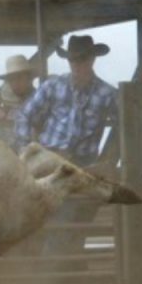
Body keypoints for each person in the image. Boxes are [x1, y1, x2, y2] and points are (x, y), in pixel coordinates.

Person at [15, 35, 118, 258]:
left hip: (83, 164)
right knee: (56, 218)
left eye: (82, 60)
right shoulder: (53, 86)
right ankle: (60, 267)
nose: (78, 65)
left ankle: (59, 268)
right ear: (69, 62)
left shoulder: (107, 94)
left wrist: (109, 159)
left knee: (73, 217)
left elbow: (126, 124)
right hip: (50, 160)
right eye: (74, 60)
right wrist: (27, 151)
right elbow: (24, 115)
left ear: (92, 60)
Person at [0, 54, 37, 142]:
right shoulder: (8, 110)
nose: (15, 83)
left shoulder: (42, 103)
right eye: (11, 79)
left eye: (19, 78)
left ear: (29, 78)